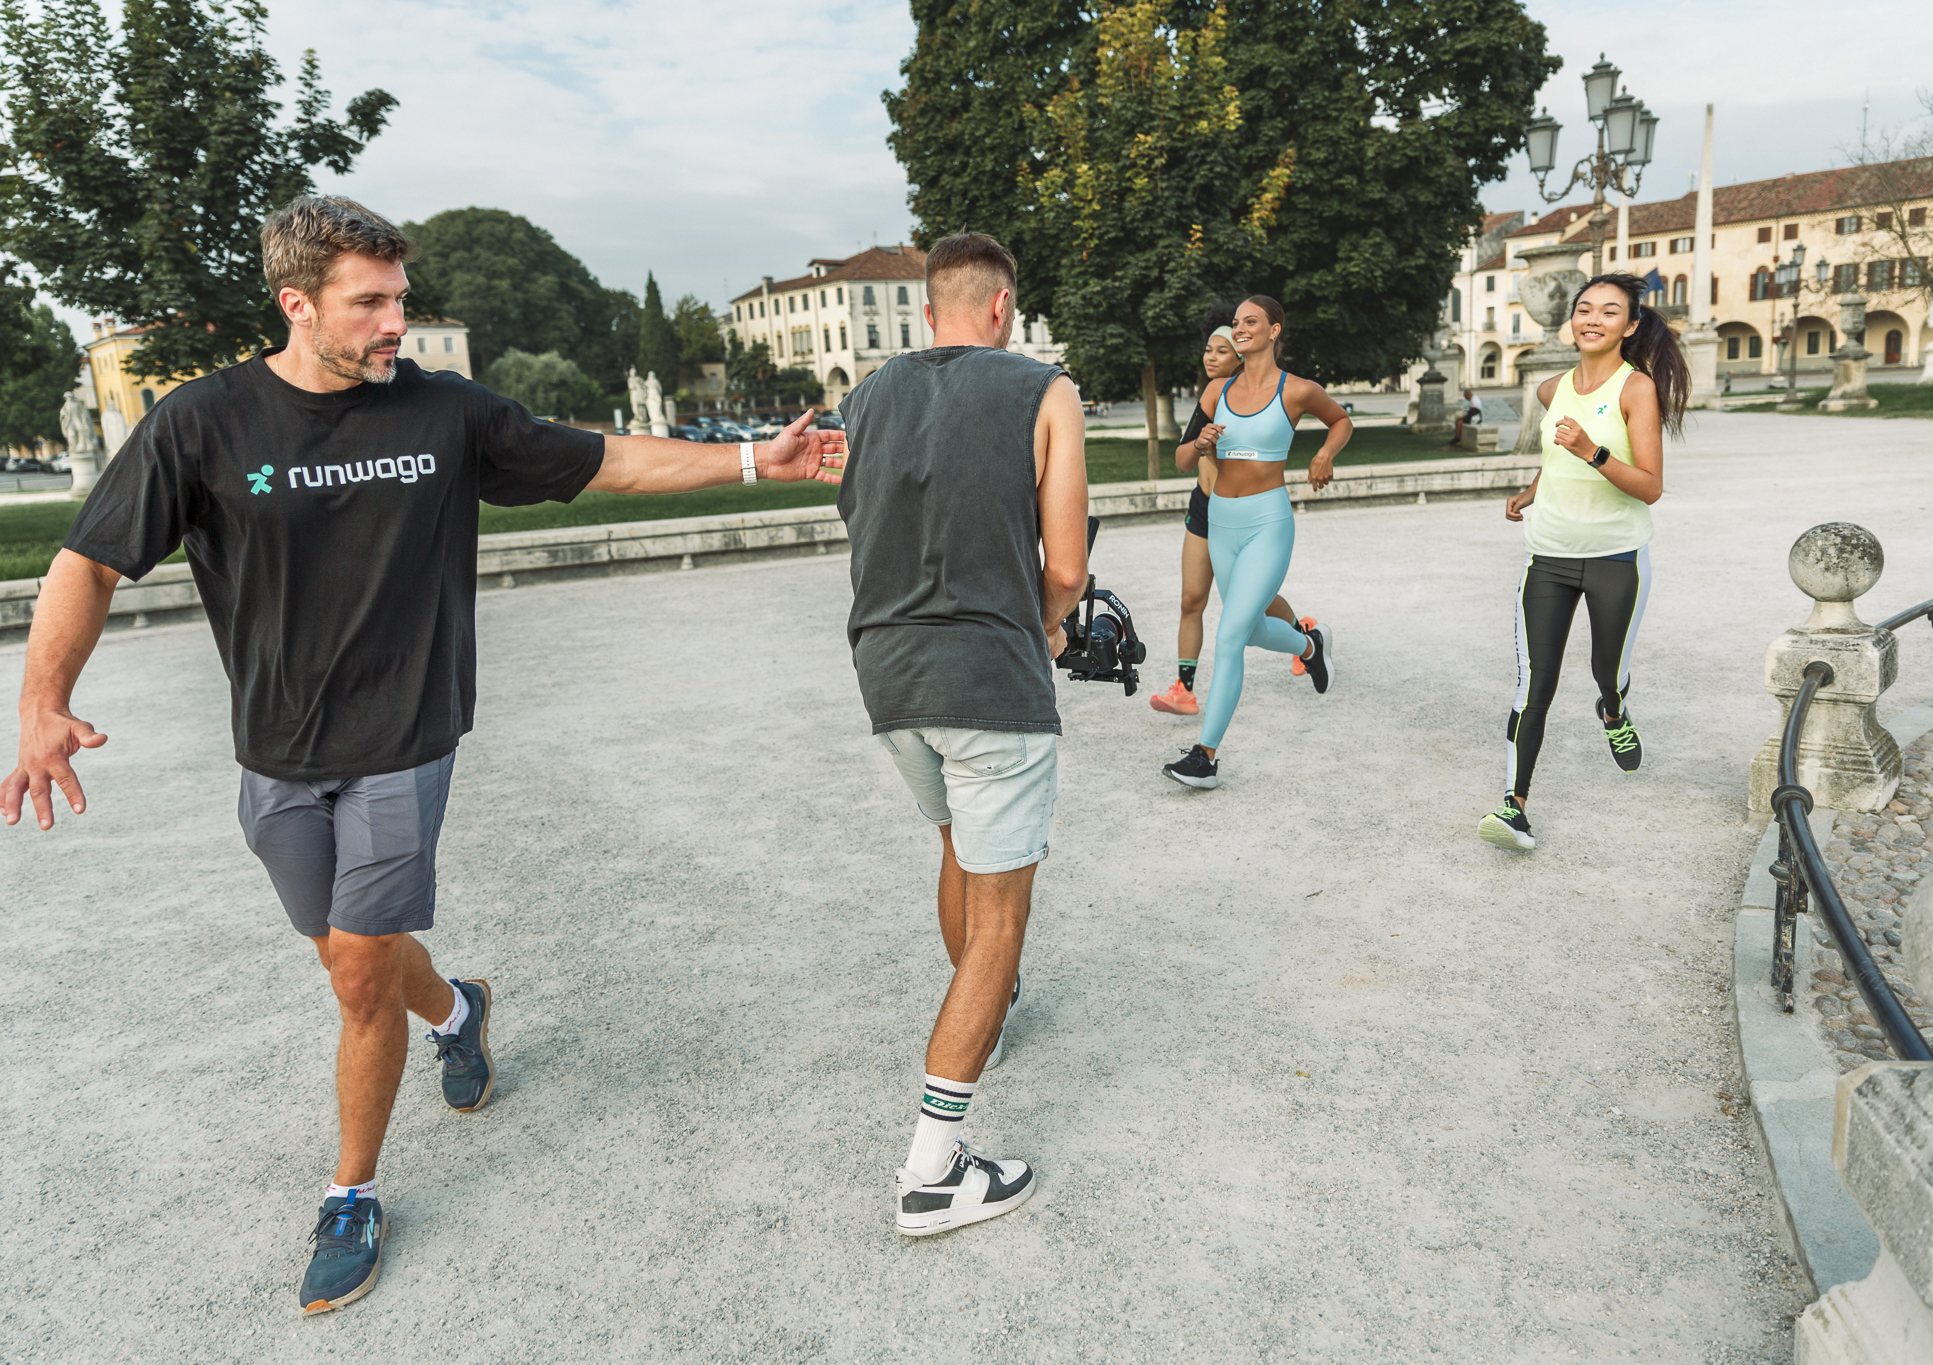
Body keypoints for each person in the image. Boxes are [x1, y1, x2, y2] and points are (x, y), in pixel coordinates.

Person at [1, 195, 844, 1313]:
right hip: (276, 749)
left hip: (405, 734)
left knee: (358, 971)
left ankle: (351, 1192)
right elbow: (91, 561)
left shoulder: (445, 412)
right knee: (342, 947)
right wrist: (43, 700)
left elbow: (609, 462)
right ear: (298, 304)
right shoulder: (202, 424)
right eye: (370, 303)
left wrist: (753, 462)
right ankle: (455, 1012)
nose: (396, 321)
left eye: (400, 298)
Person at [836, 231, 1089, 1236]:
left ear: (928, 306)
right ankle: (932, 1170)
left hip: (889, 674)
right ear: (1000, 307)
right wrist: (1051, 627)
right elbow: (1064, 567)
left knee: (957, 846)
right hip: (987, 672)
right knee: (1000, 921)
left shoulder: (868, 395)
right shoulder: (1045, 389)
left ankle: (982, 1020)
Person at [1480, 273, 1689, 853]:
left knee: (1606, 671)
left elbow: (1649, 486)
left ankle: (1614, 711)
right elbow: (1556, 455)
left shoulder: (1636, 389)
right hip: (1546, 556)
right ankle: (1514, 806)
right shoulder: (1551, 389)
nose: (1593, 319)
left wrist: (1590, 451)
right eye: (1584, 309)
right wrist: (1532, 490)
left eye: (1609, 311)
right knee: (1533, 685)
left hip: (1615, 557)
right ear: (1571, 320)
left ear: (1631, 325)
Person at [1162, 296, 1352, 789]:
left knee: (1229, 635)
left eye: (1251, 322)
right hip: (1221, 523)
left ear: (1274, 330)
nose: (1241, 328)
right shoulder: (1216, 391)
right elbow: (1181, 460)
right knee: (1245, 632)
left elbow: (1341, 420)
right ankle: (1310, 646)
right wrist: (1200, 443)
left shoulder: (1298, 390)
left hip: (1268, 522)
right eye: (1237, 323)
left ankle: (1205, 757)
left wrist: (1324, 454)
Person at [1148, 318, 1313, 716]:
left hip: (1246, 514)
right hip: (1204, 509)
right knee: (1191, 599)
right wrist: (1199, 443)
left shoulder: (1257, 399)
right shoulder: (1210, 398)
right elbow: (1183, 459)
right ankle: (1184, 690)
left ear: (1241, 356)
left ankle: (1303, 636)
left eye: (1222, 351)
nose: (1211, 357)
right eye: (1208, 350)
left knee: (1257, 601)